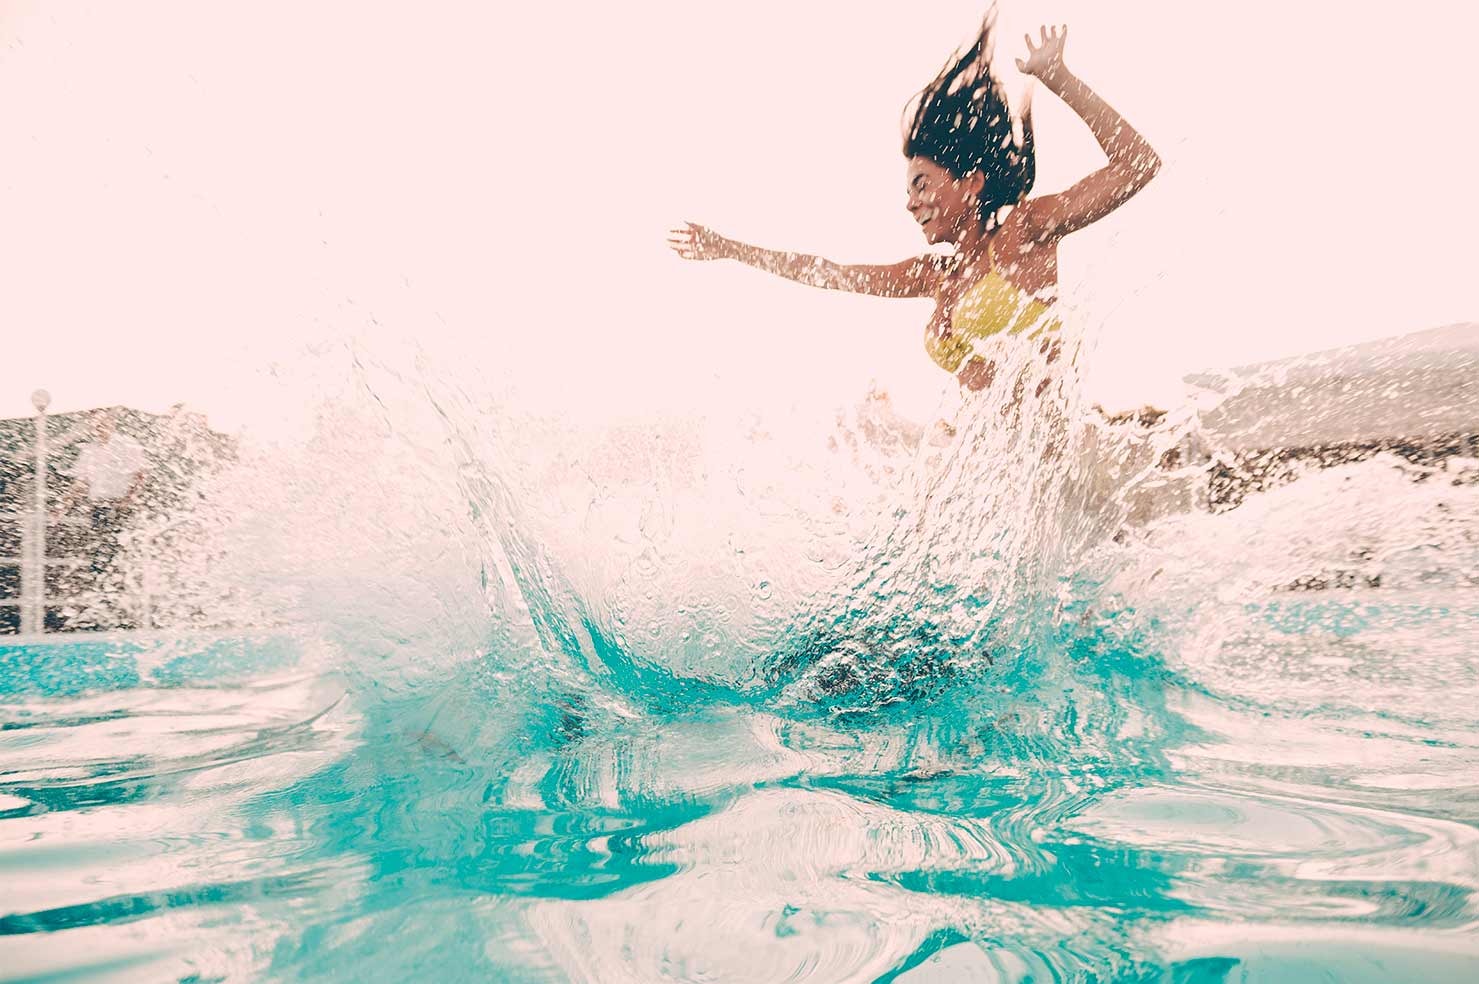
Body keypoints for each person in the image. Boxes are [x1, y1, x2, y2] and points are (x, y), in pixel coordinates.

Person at [669, 17, 1160, 396]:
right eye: (909, 190)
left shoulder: (1025, 231)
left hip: (1064, 469)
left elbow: (1138, 163)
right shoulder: (935, 277)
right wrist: (729, 248)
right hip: (1008, 491)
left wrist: (1059, 78)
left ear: (970, 184)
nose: (910, 203)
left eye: (922, 184)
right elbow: (828, 271)